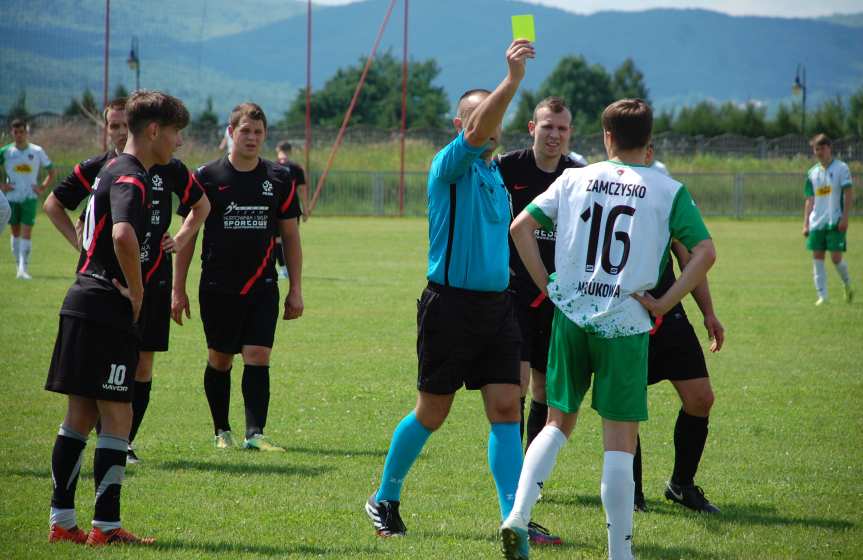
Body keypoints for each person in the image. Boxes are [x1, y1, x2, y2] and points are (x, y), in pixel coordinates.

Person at [501, 98, 716, 560]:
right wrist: (664, 302)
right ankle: (620, 552)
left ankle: (518, 515)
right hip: (625, 324)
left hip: (572, 316)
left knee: (557, 423)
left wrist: (549, 286)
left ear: (607, 137)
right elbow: (704, 253)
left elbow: (520, 228)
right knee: (619, 442)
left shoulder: (575, 177)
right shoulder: (667, 189)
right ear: (649, 140)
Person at [365, 39, 535, 538]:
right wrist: (512, 80)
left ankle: (514, 517)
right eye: (475, 117)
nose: (486, 124)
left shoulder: (494, 174)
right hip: (450, 309)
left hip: (497, 310)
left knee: (507, 408)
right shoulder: (449, 165)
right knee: (432, 412)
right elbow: (481, 126)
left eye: (492, 116)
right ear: (460, 126)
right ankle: (384, 497)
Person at [44, 90, 190, 546]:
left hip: (83, 299)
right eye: (175, 133)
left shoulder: (108, 169)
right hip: (107, 308)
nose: (178, 144)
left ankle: (63, 522)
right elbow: (125, 235)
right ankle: (106, 527)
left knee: (79, 414)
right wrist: (139, 291)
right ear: (152, 131)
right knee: (117, 415)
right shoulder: (132, 177)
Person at [173, 102, 304, 452]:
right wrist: (178, 289)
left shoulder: (279, 178)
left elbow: (290, 236)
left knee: (258, 354)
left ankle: (255, 434)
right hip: (217, 286)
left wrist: (296, 289)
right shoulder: (205, 177)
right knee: (220, 358)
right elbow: (187, 236)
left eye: (258, 132)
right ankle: (221, 430)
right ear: (230, 132)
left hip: (262, 285)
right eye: (245, 130)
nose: (252, 137)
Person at [496, 96, 584, 546]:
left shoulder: (577, 175)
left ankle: (531, 482)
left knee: (546, 392)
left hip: (559, 300)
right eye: (547, 126)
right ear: (531, 127)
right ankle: (512, 486)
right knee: (511, 390)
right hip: (512, 296)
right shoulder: (506, 168)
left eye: (562, 129)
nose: (554, 135)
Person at [0, 118, 56, 279]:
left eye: (21, 132)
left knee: (26, 232)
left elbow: (51, 171)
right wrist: (2, 186)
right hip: (11, 197)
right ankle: (18, 267)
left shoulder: (36, 151)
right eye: (15, 132)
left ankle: (24, 269)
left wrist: (42, 187)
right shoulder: (6, 152)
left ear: (27, 132)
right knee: (15, 231)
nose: (19, 135)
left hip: (29, 197)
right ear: (12, 133)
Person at [803, 134, 854, 305]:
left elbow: (848, 193)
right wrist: (806, 223)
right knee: (817, 258)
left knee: (835, 258)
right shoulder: (812, 173)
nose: (819, 152)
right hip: (817, 222)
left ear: (829, 148)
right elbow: (810, 199)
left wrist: (845, 218)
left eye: (822, 148)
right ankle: (822, 296)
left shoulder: (842, 168)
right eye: (816, 149)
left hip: (835, 220)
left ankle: (847, 284)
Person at [275, 140, 309, 278]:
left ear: (278, 150)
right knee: (291, 238)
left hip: (276, 206)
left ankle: (283, 269)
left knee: (277, 239)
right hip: (292, 207)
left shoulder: (273, 166)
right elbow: (301, 190)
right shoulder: (296, 168)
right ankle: (291, 270)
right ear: (290, 151)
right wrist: (305, 209)